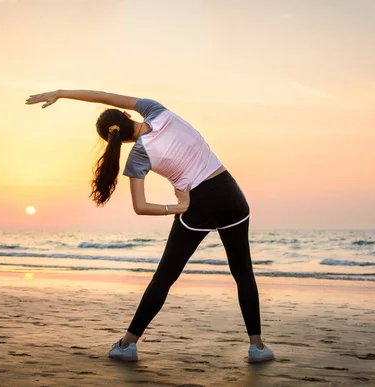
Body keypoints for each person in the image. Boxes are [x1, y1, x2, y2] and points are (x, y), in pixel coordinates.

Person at [25, 90, 275, 363]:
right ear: (126, 114)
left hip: (197, 205)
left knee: (165, 277)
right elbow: (106, 97)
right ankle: (257, 348)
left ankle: (127, 345)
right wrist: (61, 93)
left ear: (116, 141)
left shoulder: (138, 156)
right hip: (230, 194)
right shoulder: (155, 110)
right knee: (243, 273)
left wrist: (177, 208)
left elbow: (140, 207)